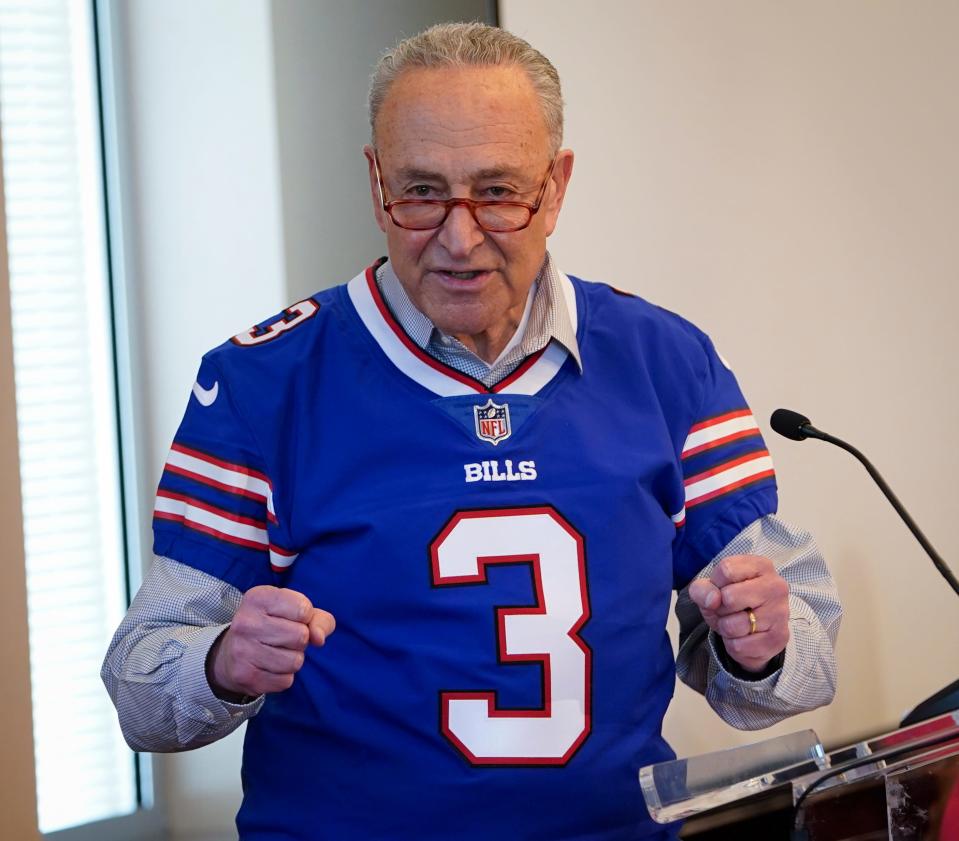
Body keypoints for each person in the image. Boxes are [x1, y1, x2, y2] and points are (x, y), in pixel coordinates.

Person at [102, 22, 841, 841]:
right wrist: (222, 664)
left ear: (555, 186)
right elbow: (140, 691)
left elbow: (795, 664)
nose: (458, 238)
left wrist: (761, 643)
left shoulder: (668, 363)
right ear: (375, 181)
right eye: (421, 192)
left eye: (496, 191)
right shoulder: (260, 386)